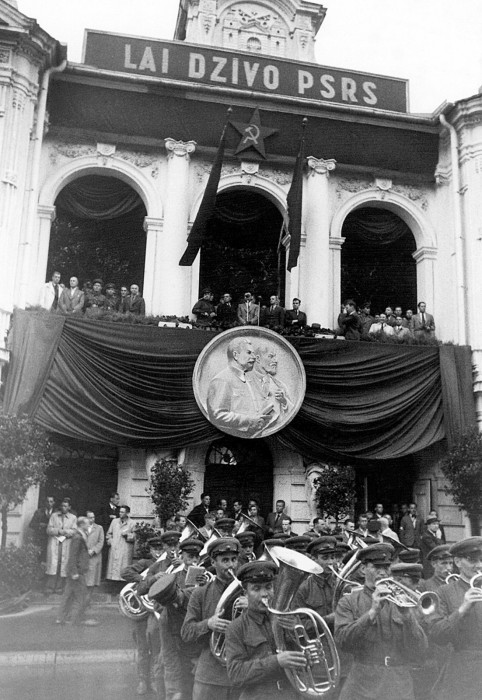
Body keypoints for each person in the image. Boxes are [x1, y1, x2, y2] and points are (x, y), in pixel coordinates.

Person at [335, 543, 428, 700]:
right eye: (376, 567)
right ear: (363, 569)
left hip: (398, 683)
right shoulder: (349, 601)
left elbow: (420, 650)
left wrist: (408, 618)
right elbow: (343, 642)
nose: (383, 572)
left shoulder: (405, 600)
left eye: (386, 567)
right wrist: (372, 613)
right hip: (363, 683)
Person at [225, 560, 306, 699]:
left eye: (268, 587)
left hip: (291, 694)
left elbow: (305, 662)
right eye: (256, 589)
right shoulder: (236, 627)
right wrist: (276, 662)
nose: (264, 594)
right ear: (245, 593)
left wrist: (300, 638)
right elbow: (235, 674)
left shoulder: (286, 620)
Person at [181, 537, 244, 700]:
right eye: (225, 560)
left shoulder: (247, 592)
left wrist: (253, 611)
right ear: (213, 562)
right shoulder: (200, 593)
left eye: (233, 560)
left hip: (242, 673)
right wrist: (208, 624)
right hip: (210, 675)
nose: (231, 565)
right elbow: (186, 633)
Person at [150, 537, 204, 700]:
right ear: (182, 556)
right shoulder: (172, 577)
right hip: (172, 629)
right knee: (166, 668)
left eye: (196, 557)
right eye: (190, 556)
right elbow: (157, 606)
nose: (193, 560)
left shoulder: (204, 579)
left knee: (192, 673)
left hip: (192, 632)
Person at [429, 536, 482, 700]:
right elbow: (437, 635)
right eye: (472, 560)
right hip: (463, 673)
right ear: (458, 562)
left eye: (481, 559)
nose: (479, 565)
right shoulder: (444, 592)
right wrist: (463, 608)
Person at [122, 535, 169, 696]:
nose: (158, 552)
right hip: (142, 612)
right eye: (155, 549)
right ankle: (143, 680)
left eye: (160, 549)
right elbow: (125, 572)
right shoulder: (145, 563)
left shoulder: (166, 564)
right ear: (150, 550)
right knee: (142, 649)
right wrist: (145, 577)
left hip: (155, 613)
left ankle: (155, 681)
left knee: (156, 649)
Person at [206, 337, 273, 438]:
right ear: (236, 355)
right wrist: (250, 421)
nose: (254, 357)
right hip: (234, 439)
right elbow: (217, 415)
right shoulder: (222, 379)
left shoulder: (248, 378)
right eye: (249, 353)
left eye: (254, 353)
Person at [55, 515, 98, 626]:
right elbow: (73, 555)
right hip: (77, 572)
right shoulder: (78, 537)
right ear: (82, 525)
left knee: (68, 595)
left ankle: (61, 618)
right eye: (87, 523)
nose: (89, 525)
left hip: (74, 571)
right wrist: (74, 572)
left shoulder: (78, 536)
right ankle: (77, 619)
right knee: (82, 596)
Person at [45, 498, 77, 594]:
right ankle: (49, 587)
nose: (63, 508)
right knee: (53, 564)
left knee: (63, 565)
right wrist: (58, 531)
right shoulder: (54, 516)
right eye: (62, 505)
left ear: (69, 507)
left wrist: (66, 532)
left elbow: (75, 531)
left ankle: (59, 587)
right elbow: (48, 529)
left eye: (66, 506)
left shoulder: (73, 518)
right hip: (55, 543)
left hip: (66, 543)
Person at [106, 505, 136, 591]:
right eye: (120, 512)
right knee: (114, 569)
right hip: (115, 548)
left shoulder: (132, 523)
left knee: (123, 569)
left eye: (122, 512)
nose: (120, 513)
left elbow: (135, 536)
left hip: (125, 548)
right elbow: (109, 534)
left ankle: (122, 589)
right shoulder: (114, 522)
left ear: (127, 513)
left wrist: (128, 535)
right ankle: (113, 589)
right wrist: (111, 541)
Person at [84, 510, 104, 608]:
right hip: (84, 557)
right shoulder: (82, 528)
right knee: (83, 580)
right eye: (89, 517)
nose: (92, 519)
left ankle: (88, 601)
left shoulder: (99, 528)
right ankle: (82, 601)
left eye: (93, 517)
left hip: (94, 557)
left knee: (91, 581)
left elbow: (101, 541)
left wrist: (94, 550)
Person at [29, 495, 56, 564]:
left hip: (52, 538)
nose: (49, 503)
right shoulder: (39, 512)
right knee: (39, 558)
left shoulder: (56, 513)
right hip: (41, 539)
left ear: (54, 503)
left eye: (51, 502)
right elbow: (31, 524)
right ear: (44, 503)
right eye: (47, 502)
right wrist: (39, 525)